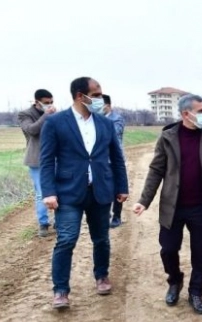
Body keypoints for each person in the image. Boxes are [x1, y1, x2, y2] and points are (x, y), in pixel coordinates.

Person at [39, 77, 129, 309]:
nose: (100, 99)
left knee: (101, 238)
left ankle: (101, 276)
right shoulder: (56, 122)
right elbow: (47, 160)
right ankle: (60, 290)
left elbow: (116, 158)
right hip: (68, 192)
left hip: (100, 190)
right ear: (81, 96)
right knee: (66, 240)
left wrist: (122, 186)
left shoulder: (105, 123)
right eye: (97, 95)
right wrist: (48, 192)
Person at [133, 94, 202, 315]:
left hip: (201, 207)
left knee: (200, 253)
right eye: (201, 111)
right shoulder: (167, 138)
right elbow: (156, 170)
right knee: (168, 249)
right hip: (173, 207)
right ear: (186, 114)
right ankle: (175, 281)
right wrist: (144, 201)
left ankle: (196, 292)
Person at [18, 89, 56, 237]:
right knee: (42, 193)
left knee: (58, 190)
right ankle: (43, 223)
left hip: (55, 158)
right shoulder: (25, 115)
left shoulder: (55, 114)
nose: (50, 105)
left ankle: (59, 221)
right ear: (37, 102)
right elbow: (32, 130)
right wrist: (47, 115)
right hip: (36, 159)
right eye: (46, 103)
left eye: (51, 102)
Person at [101, 94, 126, 228]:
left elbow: (113, 136)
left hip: (114, 160)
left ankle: (117, 216)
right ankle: (105, 214)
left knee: (117, 189)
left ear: (108, 106)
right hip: (100, 161)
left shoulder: (117, 119)